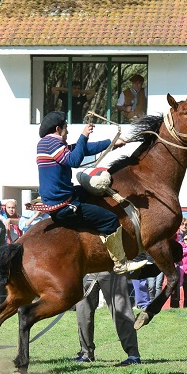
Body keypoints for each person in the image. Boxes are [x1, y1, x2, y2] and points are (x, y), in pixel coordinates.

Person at [35, 111, 144, 275]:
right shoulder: (51, 143)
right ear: (58, 128)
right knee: (111, 219)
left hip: (64, 199)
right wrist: (84, 135)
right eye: (66, 128)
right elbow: (74, 160)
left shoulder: (48, 143)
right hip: (64, 206)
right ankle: (121, 264)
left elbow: (82, 150)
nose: (68, 131)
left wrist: (112, 143)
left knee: (95, 193)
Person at [74, 272, 142, 366]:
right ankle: (86, 353)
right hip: (88, 269)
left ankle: (133, 355)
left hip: (111, 269)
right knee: (83, 312)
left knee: (121, 310)